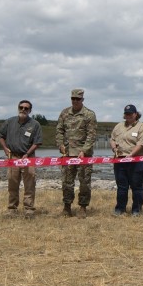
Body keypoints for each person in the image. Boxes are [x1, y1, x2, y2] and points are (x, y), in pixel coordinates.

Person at [55, 89, 97, 219]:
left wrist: (84, 150)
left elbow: (91, 135)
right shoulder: (65, 113)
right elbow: (59, 131)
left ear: (82, 100)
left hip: (83, 155)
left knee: (84, 182)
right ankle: (67, 206)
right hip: (67, 154)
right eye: (73, 98)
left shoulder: (89, 114)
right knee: (67, 182)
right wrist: (60, 145)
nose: (75, 101)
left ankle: (83, 207)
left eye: (77, 99)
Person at [0, 100, 43, 218]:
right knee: (12, 183)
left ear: (30, 110)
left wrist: (27, 153)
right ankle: (12, 208)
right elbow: (0, 135)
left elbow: (37, 142)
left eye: (26, 108)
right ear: (18, 108)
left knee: (29, 184)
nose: (23, 110)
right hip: (13, 157)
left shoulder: (35, 124)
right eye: (21, 107)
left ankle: (29, 209)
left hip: (28, 157)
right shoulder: (9, 121)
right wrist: (5, 148)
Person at [110, 104, 143, 217]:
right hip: (120, 161)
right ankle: (120, 209)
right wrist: (114, 148)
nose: (128, 116)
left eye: (130, 114)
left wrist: (131, 154)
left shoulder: (142, 127)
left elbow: (141, 144)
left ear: (135, 114)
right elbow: (112, 139)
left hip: (137, 161)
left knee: (136, 186)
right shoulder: (118, 126)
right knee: (122, 187)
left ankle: (136, 210)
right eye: (126, 114)